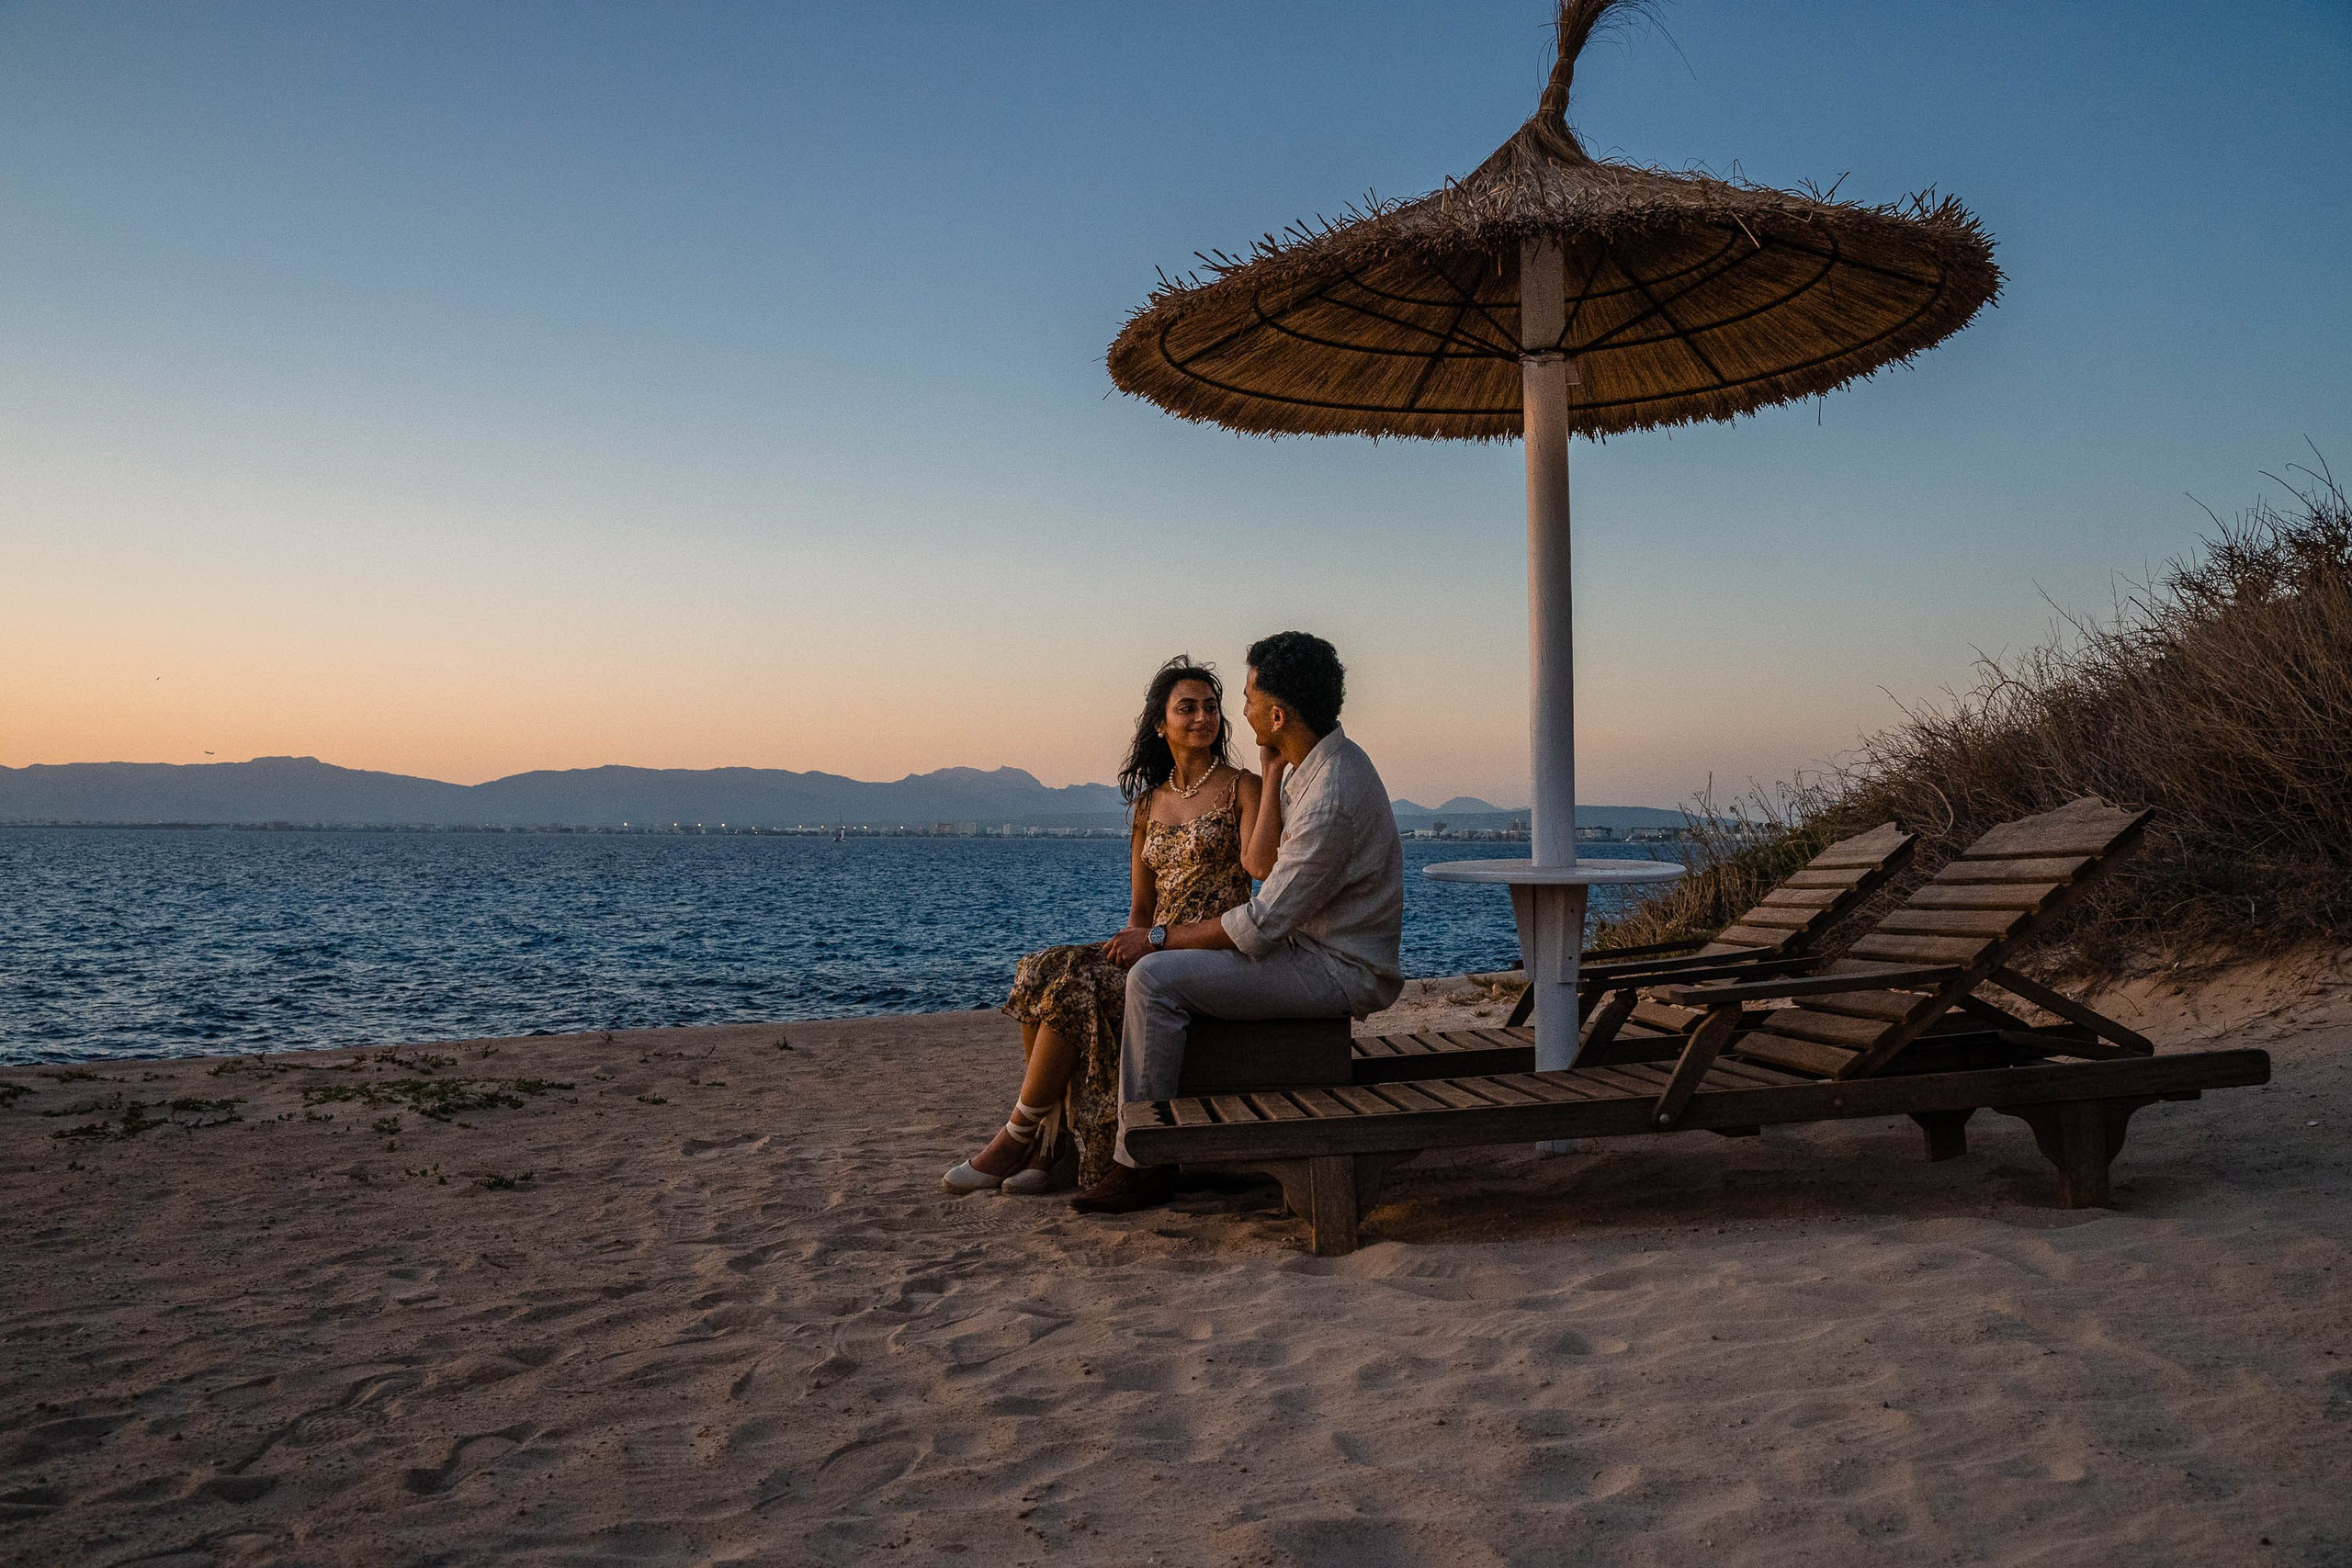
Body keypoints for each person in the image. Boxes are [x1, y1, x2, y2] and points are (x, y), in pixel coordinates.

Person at [1071, 631, 1405, 1215]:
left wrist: (1157, 940)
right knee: (1141, 974)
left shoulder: (1331, 794)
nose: (1239, 711)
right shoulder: (1312, 766)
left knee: (1155, 980)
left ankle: (1143, 1161)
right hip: (1308, 948)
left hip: (1337, 969)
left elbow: (1260, 923)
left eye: (1247, 696)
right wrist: (1273, 769)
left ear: (1276, 714)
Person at [944, 657, 1268, 1196]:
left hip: (1208, 948)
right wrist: (1124, 948)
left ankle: (1018, 1135)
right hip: (1153, 941)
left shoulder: (1243, 788)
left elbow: (1261, 869)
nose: (1201, 718)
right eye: (1186, 708)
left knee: (1077, 984)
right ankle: (1057, 1143)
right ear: (1160, 725)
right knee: (1041, 968)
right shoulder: (1148, 805)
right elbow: (1142, 911)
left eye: (1210, 707)